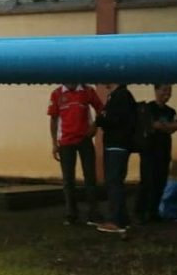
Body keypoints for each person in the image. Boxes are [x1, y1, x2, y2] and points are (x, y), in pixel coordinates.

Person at [48, 84, 105, 226]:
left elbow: (101, 109)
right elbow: (53, 119)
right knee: (68, 179)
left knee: (90, 177)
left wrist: (94, 126)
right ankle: (71, 214)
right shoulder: (57, 94)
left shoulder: (87, 91)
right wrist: (54, 143)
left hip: (85, 140)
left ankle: (93, 213)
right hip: (66, 142)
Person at [136, 84, 177, 223]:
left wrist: (163, 126)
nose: (167, 94)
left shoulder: (171, 110)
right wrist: (168, 127)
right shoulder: (148, 108)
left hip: (164, 151)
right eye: (164, 90)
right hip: (149, 151)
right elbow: (149, 125)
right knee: (147, 181)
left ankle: (154, 212)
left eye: (169, 91)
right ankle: (141, 212)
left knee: (160, 182)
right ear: (156, 90)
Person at [95, 83, 136, 233]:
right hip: (117, 145)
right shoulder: (117, 96)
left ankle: (115, 220)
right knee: (116, 182)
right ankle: (123, 219)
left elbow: (115, 119)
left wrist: (100, 120)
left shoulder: (121, 96)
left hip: (117, 145)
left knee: (114, 183)